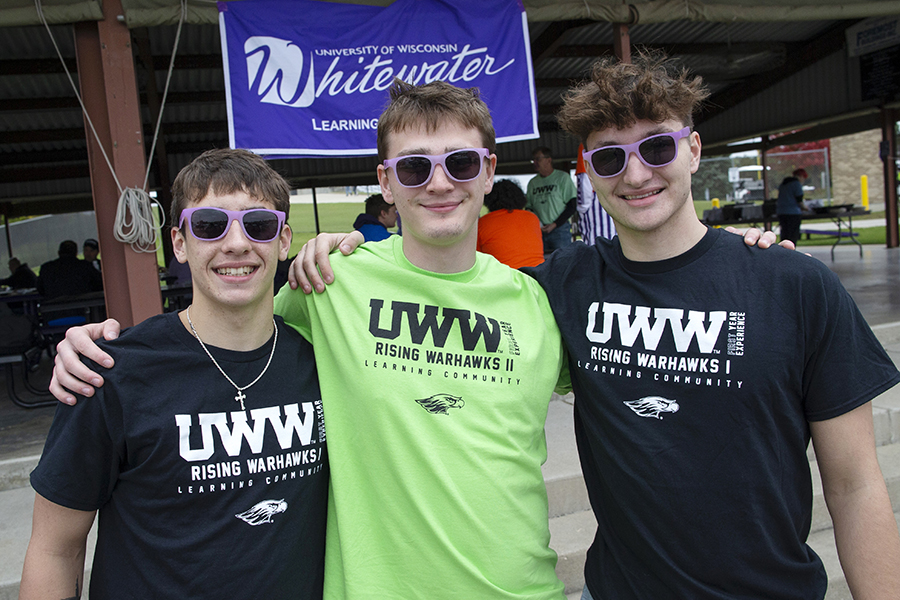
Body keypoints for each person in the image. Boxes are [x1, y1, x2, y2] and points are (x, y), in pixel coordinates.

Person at [48, 80, 784, 599]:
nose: (440, 183)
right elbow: (222, 321)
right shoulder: (330, 282)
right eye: (414, 167)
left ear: (489, 172)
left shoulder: (541, 299)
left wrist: (738, 253)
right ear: (386, 182)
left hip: (519, 591)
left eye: (461, 163)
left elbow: (655, 327)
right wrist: (97, 346)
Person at [523, 51, 900, 600]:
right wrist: (352, 255)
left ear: (693, 150)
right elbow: (445, 290)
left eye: (656, 147)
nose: (635, 174)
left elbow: (855, 484)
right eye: (608, 158)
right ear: (589, 170)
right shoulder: (562, 284)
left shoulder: (794, 285)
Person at [20, 148, 327, 599]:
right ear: (180, 243)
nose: (236, 244)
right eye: (209, 225)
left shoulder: (323, 362)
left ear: (284, 241)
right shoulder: (111, 372)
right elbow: (56, 549)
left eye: (258, 224)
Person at [476, 179, 544, 268]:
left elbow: (477, 259)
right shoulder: (532, 218)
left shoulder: (482, 223)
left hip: (506, 278)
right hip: (538, 275)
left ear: (489, 200)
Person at [527, 146, 577, 253]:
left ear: (548, 160)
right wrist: (538, 224)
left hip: (560, 230)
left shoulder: (562, 177)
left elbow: (572, 205)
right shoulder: (532, 183)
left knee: (564, 262)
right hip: (539, 230)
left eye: (538, 159)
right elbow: (529, 208)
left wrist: (555, 224)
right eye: (533, 160)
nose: (535, 162)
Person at [36, 240, 102, 299]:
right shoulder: (85, 266)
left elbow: (40, 289)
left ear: (59, 253)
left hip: (53, 309)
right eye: (86, 250)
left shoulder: (46, 268)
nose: (88, 254)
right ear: (76, 253)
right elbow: (99, 284)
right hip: (82, 308)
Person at [777, 167, 809, 244]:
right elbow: (799, 199)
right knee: (792, 236)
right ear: (801, 176)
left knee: (785, 234)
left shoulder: (784, 184)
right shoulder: (796, 184)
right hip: (793, 212)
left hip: (781, 212)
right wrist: (806, 208)